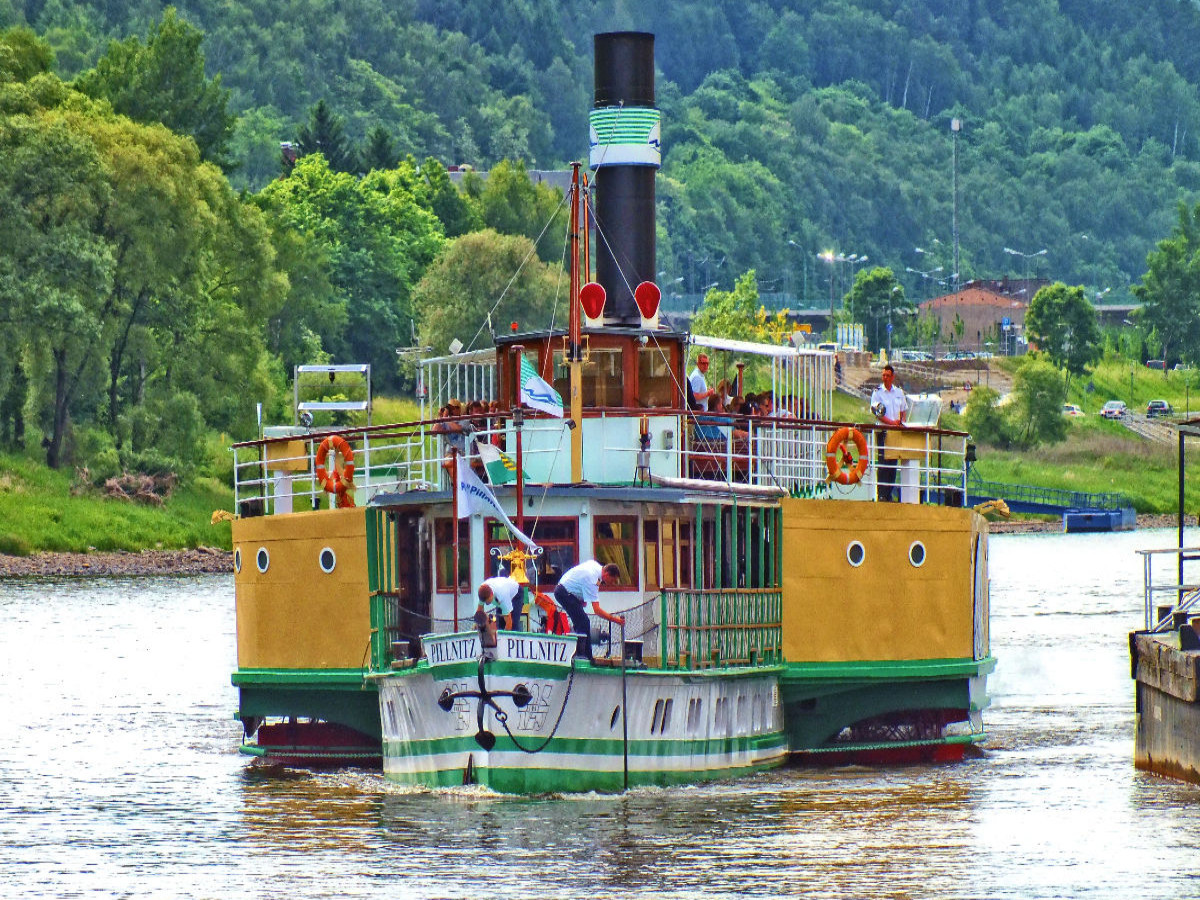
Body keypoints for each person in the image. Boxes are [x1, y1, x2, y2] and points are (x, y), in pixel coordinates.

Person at [553, 560, 624, 661]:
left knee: (581, 622)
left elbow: (581, 581)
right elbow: (597, 610)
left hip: (566, 590)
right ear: (607, 574)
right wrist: (616, 620)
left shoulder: (595, 566)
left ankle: (584, 655)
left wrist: (581, 598)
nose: (611, 584)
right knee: (583, 622)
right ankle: (583, 656)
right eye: (612, 581)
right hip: (563, 593)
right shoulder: (592, 580)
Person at [871, 364, 909, 502]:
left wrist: (901, 423)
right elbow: (878, 414)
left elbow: (903, 410)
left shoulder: (899, 392)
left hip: (896, 433)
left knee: (893, 463)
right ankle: (881, 494)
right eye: (883, 375)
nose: (885, 378)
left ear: (892, 377)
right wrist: (892, 423)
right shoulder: (877, 392)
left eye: (887, 375)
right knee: (883, 463)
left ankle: (889, 494)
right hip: (884, 431)